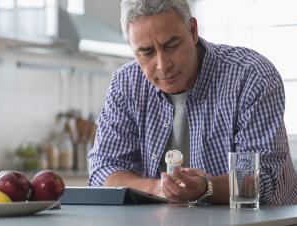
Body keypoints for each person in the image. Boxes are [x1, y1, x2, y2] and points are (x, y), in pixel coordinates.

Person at [88, 0, 297, 205]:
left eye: (171, 45)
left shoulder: (251, 76)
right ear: (132, 49)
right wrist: (158, 189)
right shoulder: (125, 84)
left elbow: (264, 180)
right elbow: (103, 170)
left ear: (193, 30)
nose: (163, 65)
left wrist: (206, 188)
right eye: (147, 52)